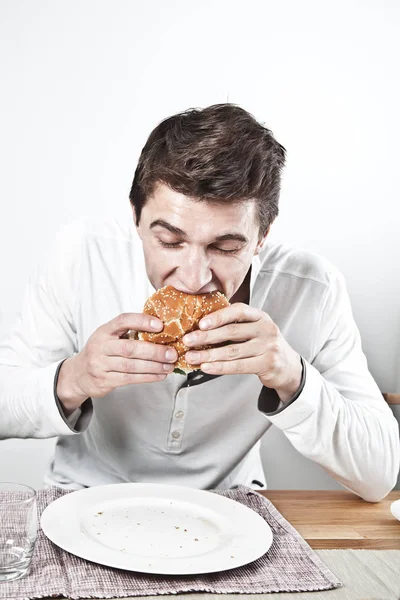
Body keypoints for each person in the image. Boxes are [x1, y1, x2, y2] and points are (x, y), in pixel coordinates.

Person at [0, 104, 398, 501]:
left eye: (225, 247)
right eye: (170, 242)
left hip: (233, 506)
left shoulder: (313, 289)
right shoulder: (81, 255)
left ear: (262, 237)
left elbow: (379, 475)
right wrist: (75, 377)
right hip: (81, 496)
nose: (193, 278)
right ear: (136, 218)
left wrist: (292, 375)